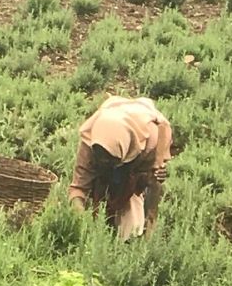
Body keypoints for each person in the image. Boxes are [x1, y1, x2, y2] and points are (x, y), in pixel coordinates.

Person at [69, 96, 172, 240]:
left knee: (130, 233)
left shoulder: (149, 143)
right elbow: (78, 187)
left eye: (109, 157)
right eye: (100, 156)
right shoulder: (90, 144)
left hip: (133, 169)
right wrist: (81, 223)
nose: (104, 161)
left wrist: (150, 226)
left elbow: (153, 184)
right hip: (108, 172)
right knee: (100, 201)